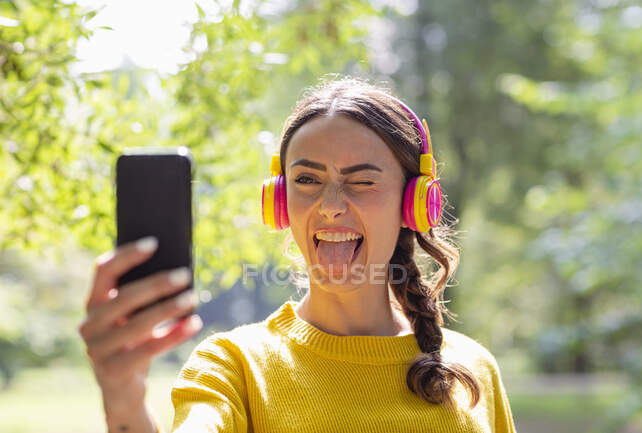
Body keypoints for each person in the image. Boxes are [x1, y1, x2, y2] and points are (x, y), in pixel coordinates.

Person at [79, 77, 517, 433]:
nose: (330, 205)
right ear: (281, 203)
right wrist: (125, 401)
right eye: (307, 179)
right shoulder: (234, 364)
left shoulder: (474, 368)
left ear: (414, 204)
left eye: (362, 181)